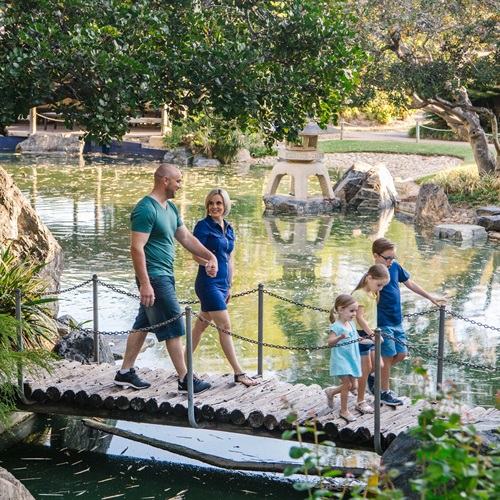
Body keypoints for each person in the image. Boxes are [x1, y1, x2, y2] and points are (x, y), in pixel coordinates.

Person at [114, 163, 219, 394]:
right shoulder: (145, 209)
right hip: (154, 276)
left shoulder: (170, 209)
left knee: (143, 323)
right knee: (173, 324)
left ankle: (124, 373)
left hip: (165, 275)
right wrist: (145, 283)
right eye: (178, 181)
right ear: (165, 180)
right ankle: (185, 379)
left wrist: (210, 255)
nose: (180, 186)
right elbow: (136, 248)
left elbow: (186, 238)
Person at [187, 188, 258, 387]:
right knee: (225, 326)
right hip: (207, 283)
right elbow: (194, 254)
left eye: (218, 203)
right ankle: (239, 372)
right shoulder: (203, 226)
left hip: (222, 284)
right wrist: (207, 263)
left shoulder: (229, 228)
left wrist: (229, 286)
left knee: (200, 327)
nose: (214, 207)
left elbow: (229, 258)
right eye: (211, 203)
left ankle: (184, 367)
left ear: (225, 205)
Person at [368, 237, 447, 405]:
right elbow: (362, 295)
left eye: (393, 257)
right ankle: (383, 392)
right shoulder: (372, 274)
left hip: (397, 320)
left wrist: (430, 296)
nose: (390, 261)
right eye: (387, 258)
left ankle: (373, 374)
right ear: (376, 255)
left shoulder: (395, 267)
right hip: (382, 322)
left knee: (401, 353)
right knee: (388, 356)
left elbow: (409, 282)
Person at [351, 264, 390, 412]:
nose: (380, 288)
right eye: (379, 284)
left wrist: (374, 333)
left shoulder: (373, 293)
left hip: (371, 333)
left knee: (378, 365)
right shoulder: (360, 295)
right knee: (366, 369)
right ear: (369, 278)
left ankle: (355, 382)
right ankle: (360, 401)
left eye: (382, 286)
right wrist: (372, 335)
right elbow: (360, 318)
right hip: (362, 334)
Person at [324, 294, 362, 423]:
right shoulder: (336, 326)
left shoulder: (351, 324)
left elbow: (358, 339)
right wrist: (339, 337)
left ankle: (332, 392)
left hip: (352, 359)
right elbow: (330, 342)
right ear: (340, 310)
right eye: (351, 311)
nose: (354, 314)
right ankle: (344, 410)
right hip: (341, 359)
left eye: (355, 311)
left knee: (354, 386)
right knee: (347, 384)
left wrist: (374, 340)